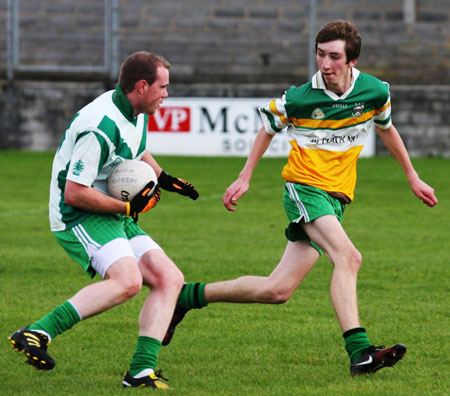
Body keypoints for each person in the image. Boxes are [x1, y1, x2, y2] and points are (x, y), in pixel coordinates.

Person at [163, 20, 438, 376]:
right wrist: (245, 176)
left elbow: (386, 128)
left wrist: (412, 176)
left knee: (277, 290)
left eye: (334, 57)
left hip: (336, 199)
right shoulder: (299, 98)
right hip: (304, 189)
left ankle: (186, 297)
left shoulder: (374, 92)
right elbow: (267, 127)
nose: (325, 64)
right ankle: (360, 352)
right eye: (320, 55)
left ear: (352, 60)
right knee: (349, 257)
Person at [8, 51, 199, 389]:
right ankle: (37, 332)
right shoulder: (99, 127)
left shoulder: (137, 110)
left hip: (110, 209)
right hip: (78, 215)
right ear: (142, 86)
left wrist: (163, 177)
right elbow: (74, 192)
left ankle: (140, 372)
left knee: (170, 278)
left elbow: (134, 151)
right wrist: (127, 208)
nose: (166, 95)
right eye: (163, 87)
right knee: (128, 281)